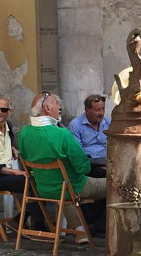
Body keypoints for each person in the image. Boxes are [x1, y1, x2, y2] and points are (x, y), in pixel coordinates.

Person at [18, 92, 106, 242]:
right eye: (56, 103)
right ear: (47, 108)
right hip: (72, 188)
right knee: (119, 184)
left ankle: (80, 230)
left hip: (42, 188)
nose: (60, 107)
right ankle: (103, 227)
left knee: (64, 183)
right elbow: (83, 167)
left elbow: (24, 158)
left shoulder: (24, 133)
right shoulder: (62, 135)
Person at [0, 94, 45, 231]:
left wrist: (11, 148)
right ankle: (35, 224)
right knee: (34, 183)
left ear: (9, 112)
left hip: (7, 174)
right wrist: (14, 171)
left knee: (43, 180)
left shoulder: (8, 126)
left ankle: (21, 219)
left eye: (3, 110)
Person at [68, 95, 111, 159]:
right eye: (97, 110)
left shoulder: (108, 123)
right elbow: (76, 152)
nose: (101, 113)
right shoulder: (76, 125)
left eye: (103, 109)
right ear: (87, 110)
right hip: (88, 163)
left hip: (107, 162)